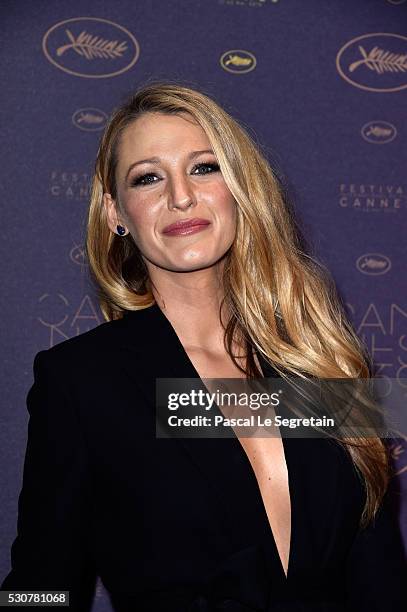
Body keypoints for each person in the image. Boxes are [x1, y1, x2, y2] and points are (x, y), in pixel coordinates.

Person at [1, 80, 406, 611]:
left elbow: (381, 584)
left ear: (240, 187)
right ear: (115, 213)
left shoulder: (323, 362)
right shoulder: (81, 381)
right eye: (148, 178)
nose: (181, 196)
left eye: (204, 167)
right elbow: (42, 582)